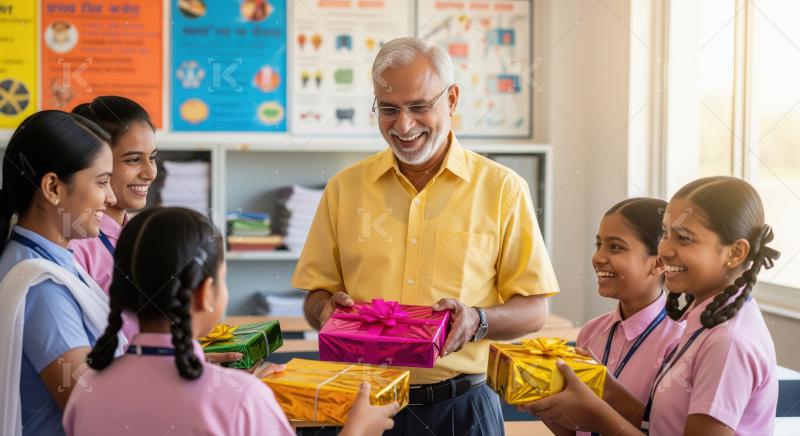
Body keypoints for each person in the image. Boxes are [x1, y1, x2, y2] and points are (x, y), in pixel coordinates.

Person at [293, 36, 560, 435]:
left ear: (451, 100)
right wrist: (324, 312)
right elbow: (315, 297)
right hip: (363, 408)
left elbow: (536, 309)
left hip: (462, 408)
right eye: (389, 109)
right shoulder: (343, 189)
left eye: (419, 107)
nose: (403, 125)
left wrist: (477, 320)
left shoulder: (504, 189)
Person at [63, 207, 398, 436]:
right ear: (206, 293)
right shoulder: (241, 399)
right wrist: (356, 430)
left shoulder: (88, 389)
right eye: (224, 278)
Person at [522, 176, 780, 436]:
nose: (665, 249)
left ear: (735, 253)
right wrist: (604, 390)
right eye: (666, 234)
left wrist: (598, 416)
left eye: (684, 238)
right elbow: (660, 426)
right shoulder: (702, 323)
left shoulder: (728, 341)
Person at [0, 111, 122, 435]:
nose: (111, 197)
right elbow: (95, 412)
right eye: (101, 182)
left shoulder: (53, 260)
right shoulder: (42, 288)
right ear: (53, 187)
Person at [69, 96, 157, 342]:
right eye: (133, 159)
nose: (150, 172)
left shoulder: (142, 236)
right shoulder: (75, 243)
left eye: (153, 157)